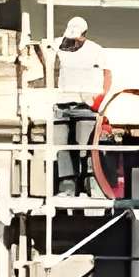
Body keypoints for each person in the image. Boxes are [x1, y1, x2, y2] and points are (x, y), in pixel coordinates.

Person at [47, 17, 110, 196]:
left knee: (87, 147)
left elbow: (107, 75)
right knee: (62, 147)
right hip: (61, 103)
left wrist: (98, 101)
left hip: (86, 106)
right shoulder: (58, 44)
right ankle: (67, 185)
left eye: (78, 38)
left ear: (85, 34)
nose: (74, 41)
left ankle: (90, 184)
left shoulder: (96, 50)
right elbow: (42, 54)